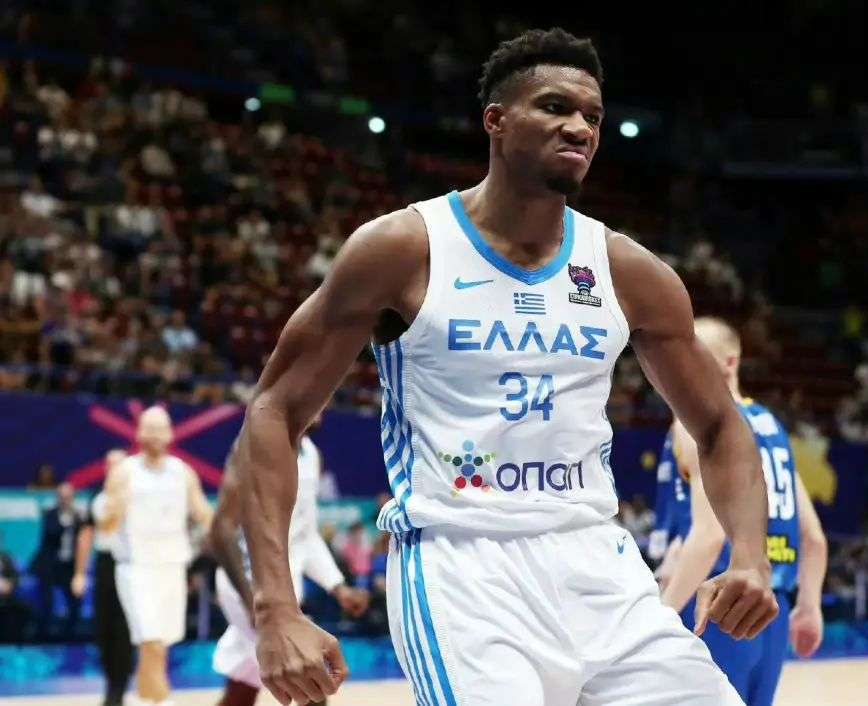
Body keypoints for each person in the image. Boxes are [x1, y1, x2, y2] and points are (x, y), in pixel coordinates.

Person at [235, 27, 777, 706]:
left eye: (592, 116)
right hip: (462, 569)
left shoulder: (628, 271)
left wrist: (750, 556)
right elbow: (274, 411)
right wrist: (275, 608)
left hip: (599, 563)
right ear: (496, 120)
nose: (579, 127)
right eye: (554, 107)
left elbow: (721, 424)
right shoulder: (402, 249)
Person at [658, 317, 828, 706]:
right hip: (772, 610)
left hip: (718, 605)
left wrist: (659, 617)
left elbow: (710, 536)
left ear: (730, 362)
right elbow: (814, 538)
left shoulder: (696, 422)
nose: (680, 359)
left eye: (694, 350)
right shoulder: (772, 426)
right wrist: (809, 606)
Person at [210, 423, 368, 706]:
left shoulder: (312, 454)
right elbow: (221, 531)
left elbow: (305, 534)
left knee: (243, 689)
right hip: (250, 584)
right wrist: (254, 601)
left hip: (285, 587)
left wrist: (338, 586)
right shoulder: (254, 443)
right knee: (311, 675)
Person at [100, 407, 213, 706]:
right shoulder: (124, 472)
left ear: (170, 433)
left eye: (160, 428)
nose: (154, 435)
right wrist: (115, 510)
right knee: (150, 641)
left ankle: (143, 699)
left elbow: (203, 513)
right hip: (136, 569)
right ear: (138, 433)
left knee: (160, 645)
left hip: (173, 568)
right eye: (148, 428)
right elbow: (106, 526)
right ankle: (163, 701)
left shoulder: (183, 473)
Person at [72, 449, 134, 706]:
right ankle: (110, 683)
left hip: (130, 565)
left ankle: (119, 689)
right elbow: (86, 535)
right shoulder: (97, 497)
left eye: (119, 465)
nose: (114, 469)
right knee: (103, 628)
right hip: (105, 566)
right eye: (110, 465)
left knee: (124, 629)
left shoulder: (136, 495)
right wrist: (79, 573)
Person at [31, 481, 87, 639]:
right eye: (62, 497)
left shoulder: (78, 516)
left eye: (68, 497)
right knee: (47, 600)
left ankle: (70, 633)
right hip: (50, 565)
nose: (65, 500)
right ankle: (43, 634)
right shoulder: (50, 514)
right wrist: (66, 524)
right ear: (58, 497)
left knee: (76, 598)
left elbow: (84, 539)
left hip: (69, 566)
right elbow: (51, 533)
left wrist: (78, 521)